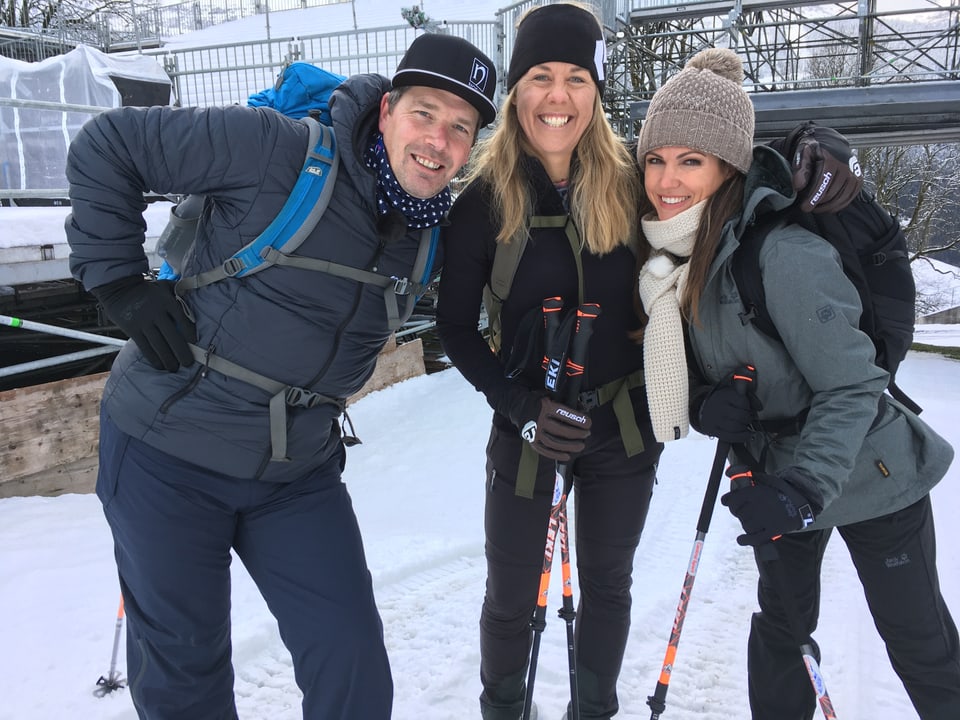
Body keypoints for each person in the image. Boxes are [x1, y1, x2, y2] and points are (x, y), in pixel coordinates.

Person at [64, 33, 497, 720]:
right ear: (386, 109)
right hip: (167, 453)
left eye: (459, 128)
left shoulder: (431, 227)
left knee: (350, 664)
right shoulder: (276, 149)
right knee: (187, 677)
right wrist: (119, 281)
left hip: (295, 472)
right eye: (424, 113)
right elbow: (106, 145)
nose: (438, 141)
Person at [634, 46, 960, 720]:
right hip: (776, 471)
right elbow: (709, 364)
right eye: (657, 159)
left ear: (728, 167)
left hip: (870, 471)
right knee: (782, 632)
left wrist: (805, 490)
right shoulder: (679, 256)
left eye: (689, 160)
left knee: (918, 641)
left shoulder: (783, 254)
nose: (667, 179)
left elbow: (852, 386)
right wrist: (703, 401)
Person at [436, 5, 662, 718]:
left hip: (620, 427)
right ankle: (504, 707)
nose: (557, 97)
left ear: (595, 90)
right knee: (509, 596)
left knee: (608, 584)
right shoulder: (481, 202)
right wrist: (516, 405)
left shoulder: (632, 186)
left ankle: (593, 709)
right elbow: (455, 330)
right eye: (539, 77)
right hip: (527, 418)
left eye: (574, 77)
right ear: (515, 91)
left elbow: (711, 225)